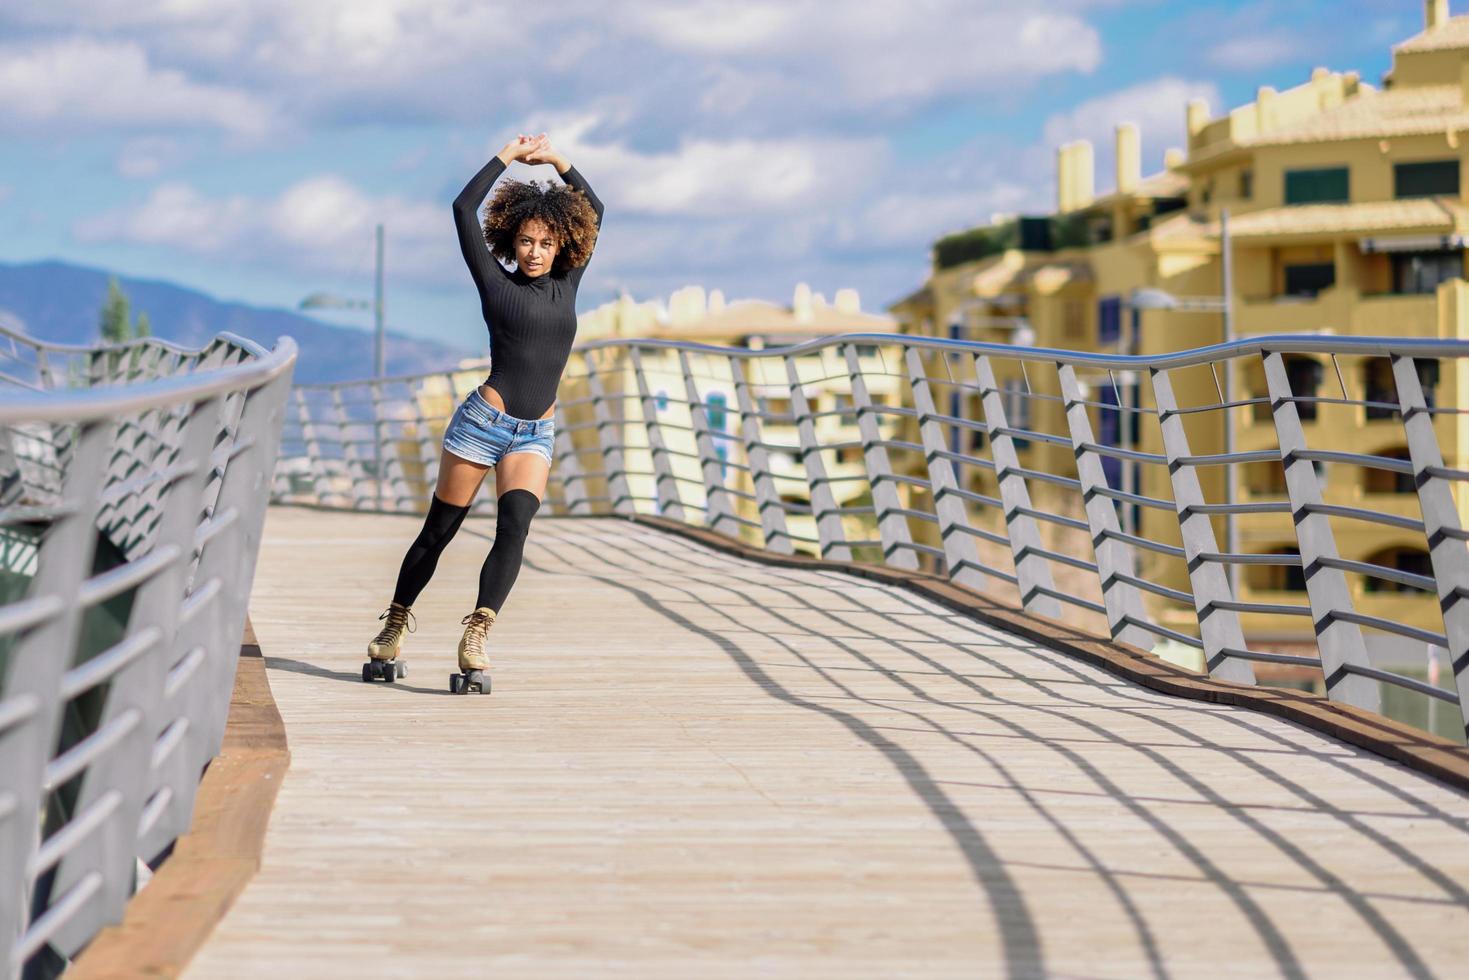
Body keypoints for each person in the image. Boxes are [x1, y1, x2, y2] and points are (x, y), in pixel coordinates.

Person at [363, 131, 603, 685]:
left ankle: (478, 629)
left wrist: (559, 161)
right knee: (439, 531)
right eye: (526, 242)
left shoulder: (568, 284)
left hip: (533, 433)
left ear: (562, 244)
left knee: (515, 525)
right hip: (482, 425)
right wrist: (509, 157)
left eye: (546, 242)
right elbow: (462, 207)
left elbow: (596, 208)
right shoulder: (495, 284)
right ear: (511, 242)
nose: (536, 252)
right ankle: (395, 623)